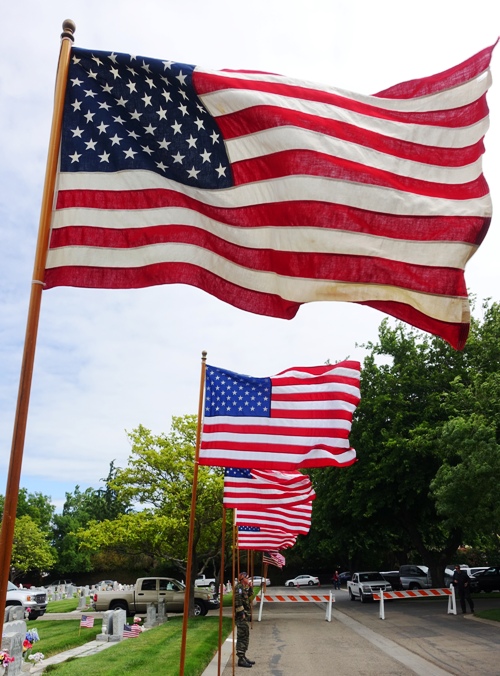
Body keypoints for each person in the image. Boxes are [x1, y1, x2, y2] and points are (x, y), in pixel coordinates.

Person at [234, 572, 255, 668]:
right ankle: (240, 658)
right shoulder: (238, 587)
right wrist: (242, 614)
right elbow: (237, 602)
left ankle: (243, 656)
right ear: (243, 579)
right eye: (247, 578)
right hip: (241, 616)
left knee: (245, 635)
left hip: (245, 615)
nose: (249, 579)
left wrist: (250, 587)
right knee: (242, 636)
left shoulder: (243, 587)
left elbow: (249, 595)